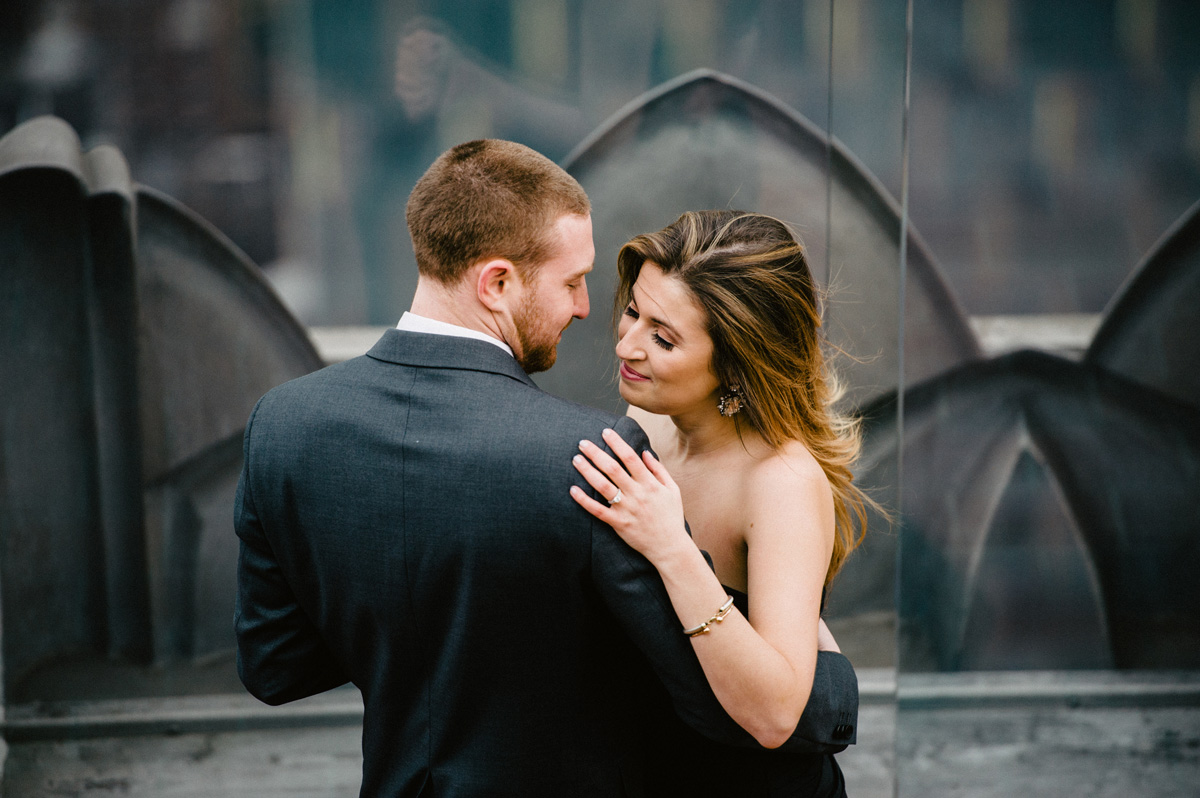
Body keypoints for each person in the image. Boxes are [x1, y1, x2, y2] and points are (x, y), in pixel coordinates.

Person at [235, 143, 858, 797]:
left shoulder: (281, 424)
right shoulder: (598, 451)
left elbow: (276, 668)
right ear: (497, 283)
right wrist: (836, 686)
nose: (609, 328)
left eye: (662, 335)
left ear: (736, 361)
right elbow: (691, 690)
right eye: (579, 286)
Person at [571, 210, 872, 796]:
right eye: (634, 311)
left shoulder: (779, 480)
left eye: (663, 337)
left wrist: (672, 549)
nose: (626, 344)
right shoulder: (646, 424)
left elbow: (776, 715)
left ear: (735, 363)